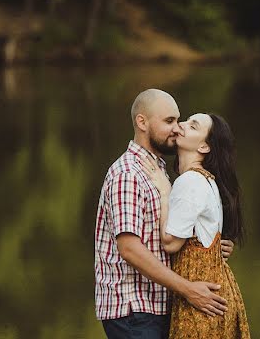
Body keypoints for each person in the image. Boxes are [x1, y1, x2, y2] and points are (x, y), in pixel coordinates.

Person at [95, 89, 235, 339]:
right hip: (133, 309)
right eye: (169, 121)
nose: (177, 127)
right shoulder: (128, 174)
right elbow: (129, 249)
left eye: (179, 120)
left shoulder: (159, 171)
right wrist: (188, 289)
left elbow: (171, 233)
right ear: (142, 122)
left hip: (157, 307)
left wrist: (210, 247)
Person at [144, 112, 251, 339]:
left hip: (202, 301)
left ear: (204, 147)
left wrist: (164, 192)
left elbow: (171, 243)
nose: (181, 125)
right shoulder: (205, 180)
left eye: (192, 126)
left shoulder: (190, 181)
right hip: (213, 295)